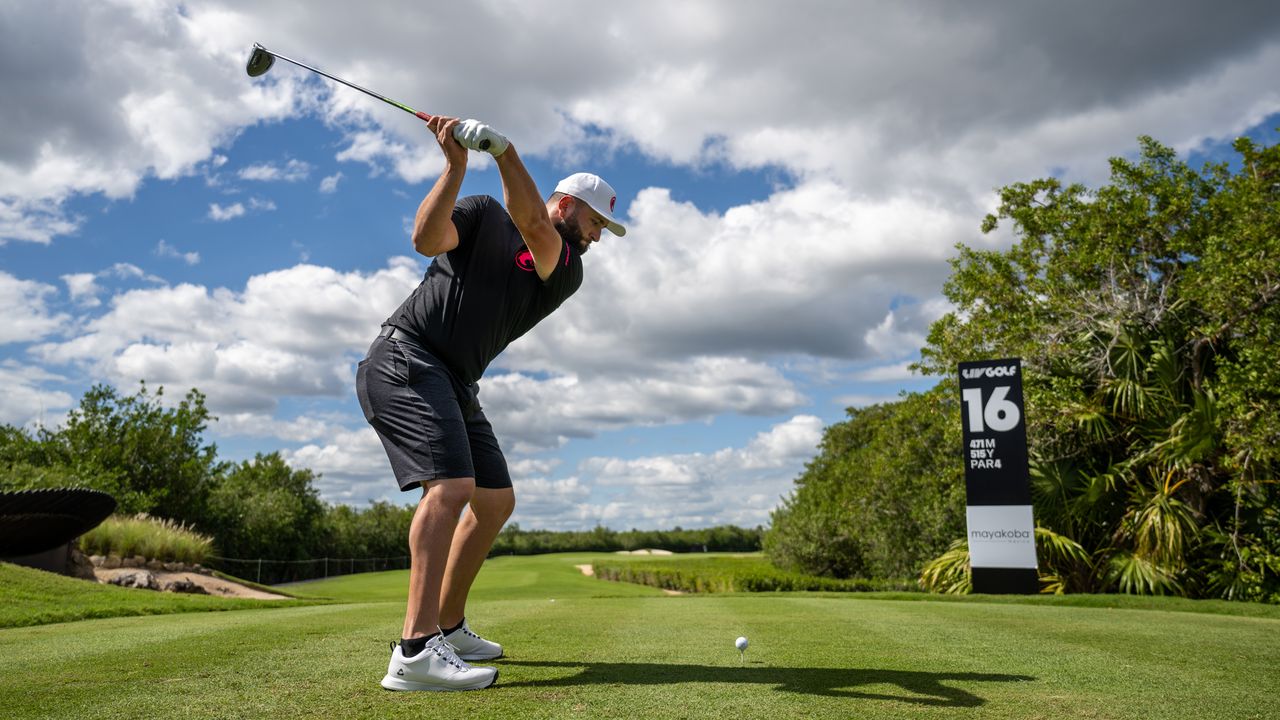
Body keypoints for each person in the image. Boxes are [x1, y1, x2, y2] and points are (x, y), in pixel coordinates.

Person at [356, 115, 625, 692]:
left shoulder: (566, 268)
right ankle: (414, 651)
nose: (599, 235)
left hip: (455, 380)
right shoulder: (480, 212)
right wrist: (456, 166)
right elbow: (427, 240)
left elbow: (530, 221)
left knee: (495, 501)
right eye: (597, 221)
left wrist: (505, 150)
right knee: (451, 488)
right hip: (407, 358)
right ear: (568, 204)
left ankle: (447, 627)